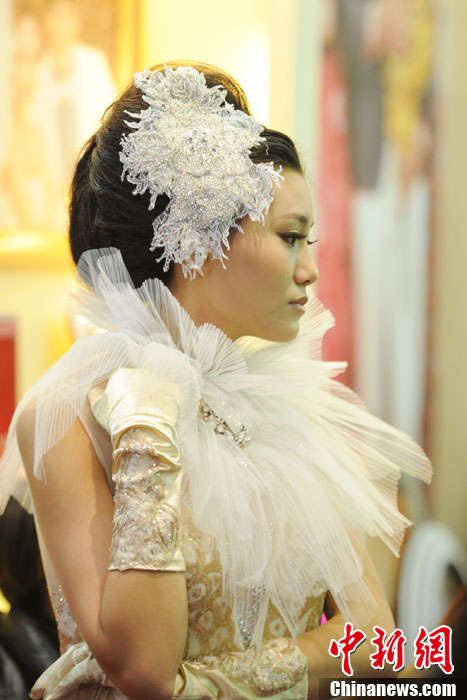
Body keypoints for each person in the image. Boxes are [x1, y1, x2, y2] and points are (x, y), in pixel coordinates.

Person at [0, 61, 432, 699]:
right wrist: (148, 426)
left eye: (310, 240)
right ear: (203, 243)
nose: (310, 271)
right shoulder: (68, 410)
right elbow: (145, 669)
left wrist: (200, 684)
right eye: (291, 237)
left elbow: (375, 634)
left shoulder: (282, 405)